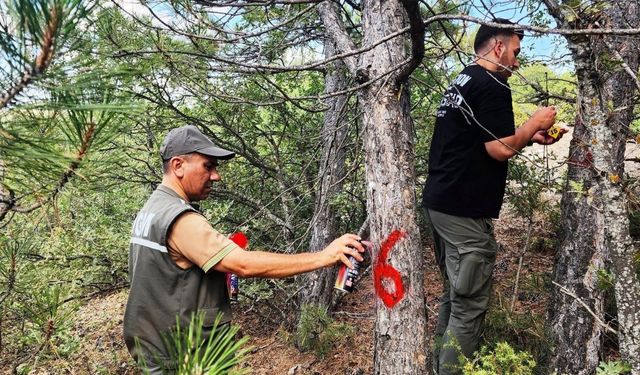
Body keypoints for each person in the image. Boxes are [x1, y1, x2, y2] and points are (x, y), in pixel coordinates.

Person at [123, 125, 365, 373]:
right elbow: (244, 264)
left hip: (156, 349)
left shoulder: (152, 210)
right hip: (184, 357)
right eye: (208, 166)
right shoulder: (180, 218)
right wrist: (324, 256)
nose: (216, 176)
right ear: (178, 166)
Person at [421, 19, 567, 374]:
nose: (517, 62)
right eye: (516, 52)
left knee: (455, 295)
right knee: (469, 303)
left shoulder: (465, 79)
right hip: (462, 209)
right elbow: (500, 150)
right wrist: (533, 122)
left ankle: (438, 364)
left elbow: (482, 140)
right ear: (499, 46)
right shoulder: (493, 85)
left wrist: (527, 138)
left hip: (440, 203)